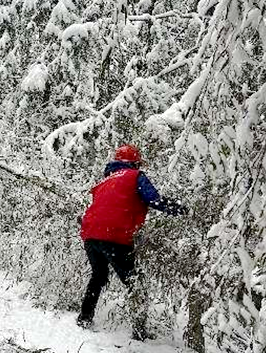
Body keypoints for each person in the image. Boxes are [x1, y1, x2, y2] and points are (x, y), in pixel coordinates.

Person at [76, 144, 186, 340]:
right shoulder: (136, 176)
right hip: (114, 236)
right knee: (135, 282)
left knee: (98, 276)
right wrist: (181, 209)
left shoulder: (104, 181)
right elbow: (153, 200)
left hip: (90, 235)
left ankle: (84, 317)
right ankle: (139, 332)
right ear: (135, 163)